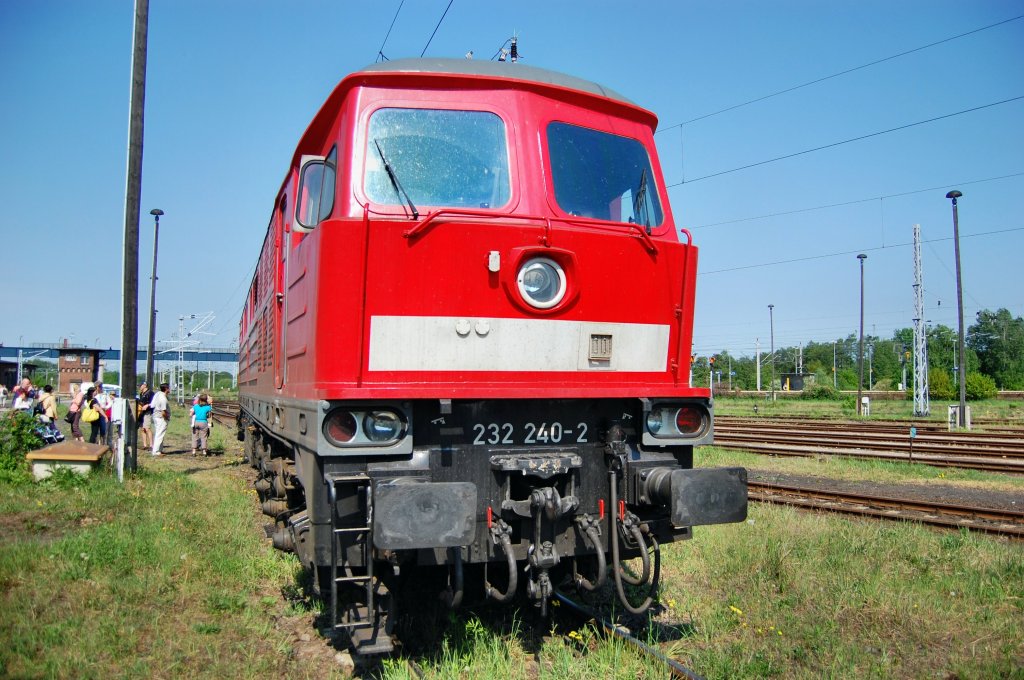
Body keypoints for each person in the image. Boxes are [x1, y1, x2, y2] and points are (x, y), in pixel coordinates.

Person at [150, 382, 170, 457]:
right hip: (161, 418)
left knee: (159, 433)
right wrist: (167, 417)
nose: (169, 389)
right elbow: (163, 412)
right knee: (159, 434)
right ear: (166, 389)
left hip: (156, 416)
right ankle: (156, 451)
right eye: (168, 388)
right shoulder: (163, 399)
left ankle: (159, 450)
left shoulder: (158, 394)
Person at [137, 382, 154, 450]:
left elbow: (154, 402)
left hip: (147, 412)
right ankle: (145, 444)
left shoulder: (150, 393)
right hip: (141, 413)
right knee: (142, 429)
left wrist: (148, 405)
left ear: (144, 385)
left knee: (147, 428)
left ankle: (151, 445)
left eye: (140, 385)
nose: (139, 387)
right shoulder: (141, 394)